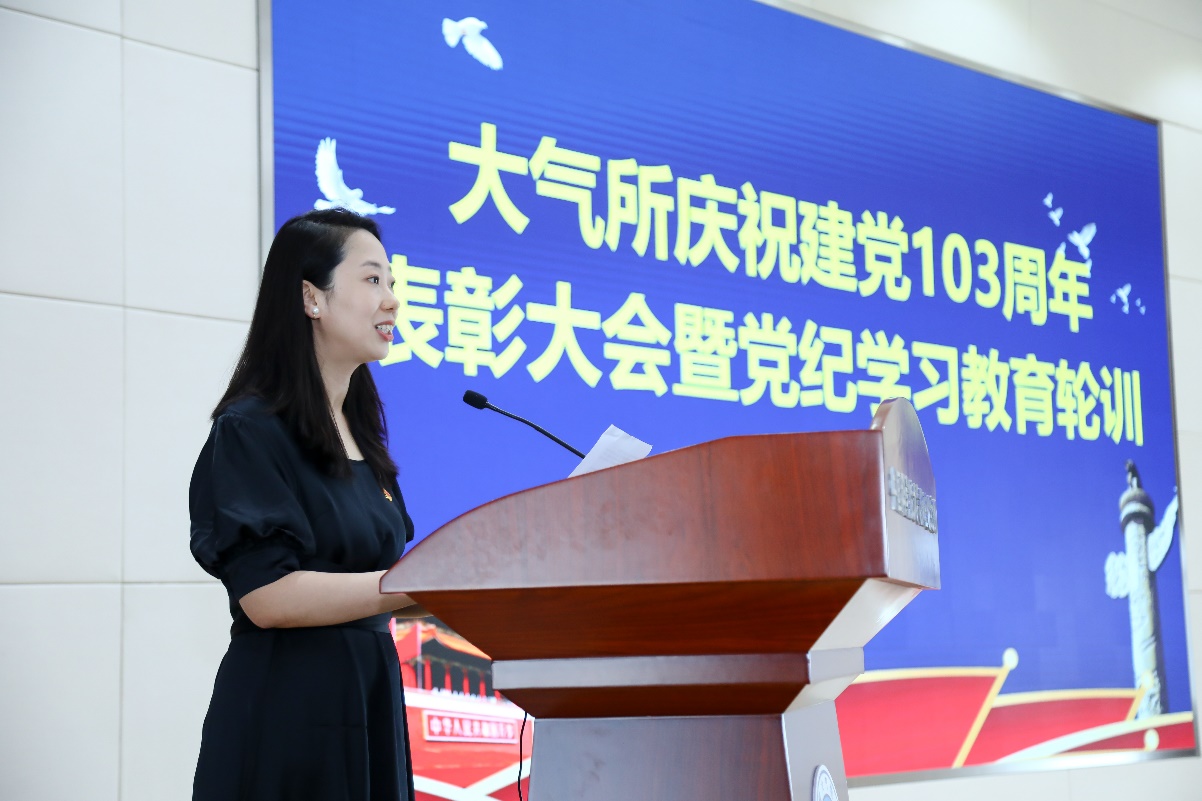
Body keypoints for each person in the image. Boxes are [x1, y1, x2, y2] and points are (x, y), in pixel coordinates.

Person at [189, 208, 423, 800]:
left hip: (368, 700)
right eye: (372, 280)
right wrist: (418, 585)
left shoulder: (363, 436)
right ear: (311, 298)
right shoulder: (250, 430)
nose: (391, 300)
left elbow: (376, 585)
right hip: (289, 711)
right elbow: (268, 596)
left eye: (392, 282)